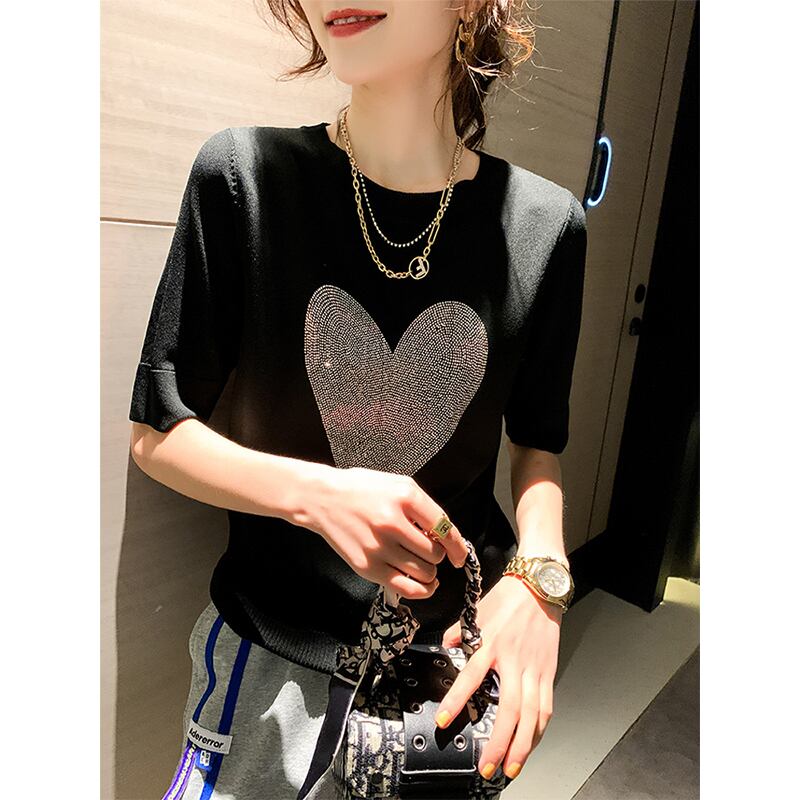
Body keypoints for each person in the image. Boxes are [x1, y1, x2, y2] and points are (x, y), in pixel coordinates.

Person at [128, 1, 588, 798]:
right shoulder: (244, 178)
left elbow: (537, 441)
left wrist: (540, 579)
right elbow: (158, 432)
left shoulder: (547, 227)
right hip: (270, 667)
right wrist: (319, 497)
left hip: (447, 679)